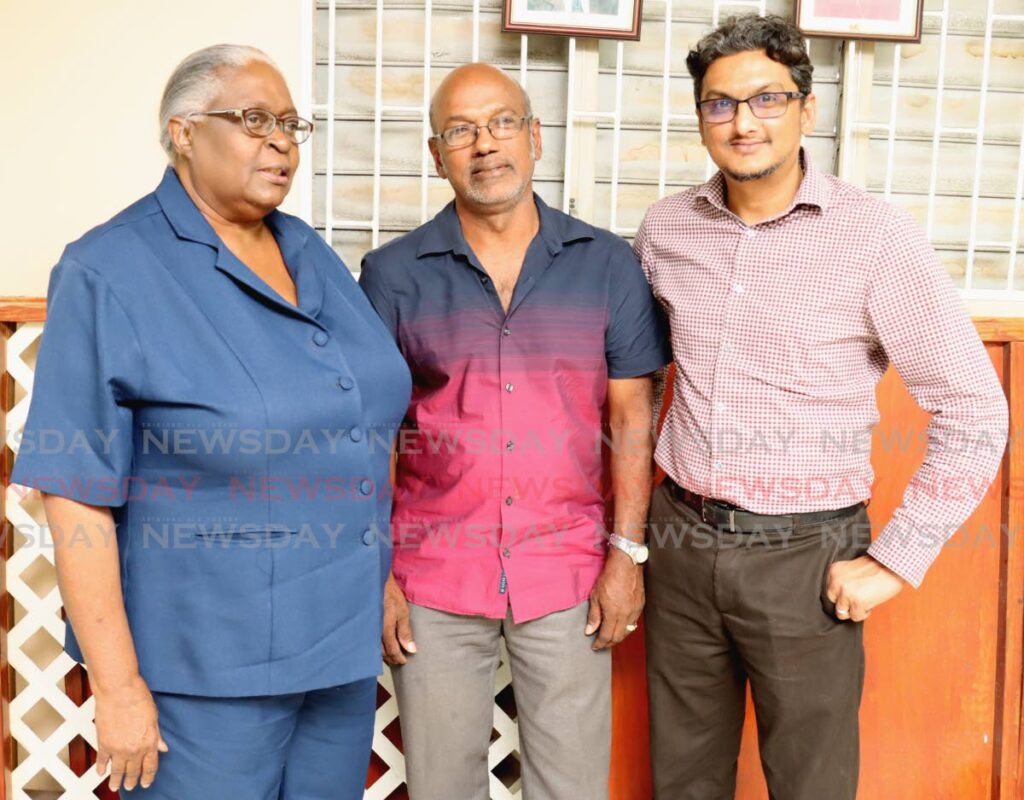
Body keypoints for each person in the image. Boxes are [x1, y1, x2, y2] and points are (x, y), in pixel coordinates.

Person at [11, 44, 411, 798]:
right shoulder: (108, 269)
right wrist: (120, 685)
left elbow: (363, 419)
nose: (282, 140)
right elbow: (74, 492)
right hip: (202, 673)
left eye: (291, 123)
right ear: (183, 132)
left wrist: (378, 576)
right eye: (254, 119)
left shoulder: (307, 250)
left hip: (337, 652)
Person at [634, 14, 1008, 800]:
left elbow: (976, 411)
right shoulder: (665, 229)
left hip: (806, 559)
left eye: (767, 98)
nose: (743, 122)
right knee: (680, 782)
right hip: (680, 539)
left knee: (811, 785)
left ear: (808, 109)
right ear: (699, 115)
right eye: (720, 103)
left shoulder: (875, 238)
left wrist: (896, 561)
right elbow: (640, 375)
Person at [358, 63, 669, 800]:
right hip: (433, 576)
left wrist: (627, 555)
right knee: (441, 786)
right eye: (460, 131)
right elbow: (369, 436)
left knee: (571, 787)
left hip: (568, 573)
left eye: (502, 123)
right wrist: (378, 576)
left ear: (534, 138)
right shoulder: (392, 276)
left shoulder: (607, 265)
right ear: (437, 156)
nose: (484, 145)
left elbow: (631, 416)